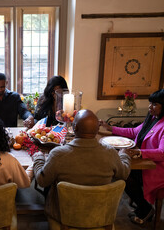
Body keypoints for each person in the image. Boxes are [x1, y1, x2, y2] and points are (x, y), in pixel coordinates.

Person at [33, 109, 132, 224]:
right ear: (97, 130)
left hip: (64, 215)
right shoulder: (110, 153)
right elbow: (124, 173)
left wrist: (39, 158)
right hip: (100, 215)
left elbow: (42, 180)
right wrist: (124, 156)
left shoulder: (59, 154)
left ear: (74, 128)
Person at [100, 89, 164, 225]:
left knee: (123, 174)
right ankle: (143, 206)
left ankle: (145, 209)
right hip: (144, 162)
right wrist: (109, 128)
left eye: (154, 104)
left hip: (156, 169)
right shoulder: (153, 119)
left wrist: (139, 152)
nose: (150, 107)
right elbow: (133, 131)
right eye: (150, 103)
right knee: (120, 171)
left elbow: (162, 152)